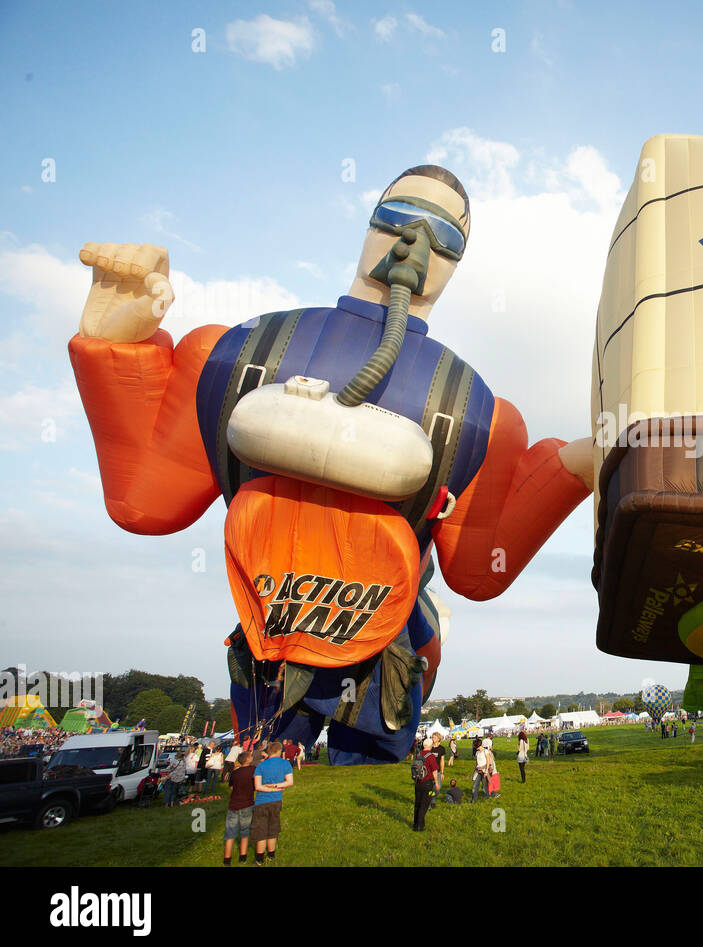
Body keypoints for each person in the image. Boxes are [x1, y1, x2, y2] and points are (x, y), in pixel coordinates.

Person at [69, 165, 594, 766]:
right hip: (272, 617)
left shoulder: (473, 412)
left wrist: (576, 467)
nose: (414, 245)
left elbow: (479, 570)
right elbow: (144, 503)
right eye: (397, 220)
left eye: (443, 238)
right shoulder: (245, 353)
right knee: (265, 759)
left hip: (385, 629)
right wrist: (116, 341)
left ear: (455, 264)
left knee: (365, 756)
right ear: (370, 224)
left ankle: (414, 642)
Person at [252, 741, 293, 865]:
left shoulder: (261, 766)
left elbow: (257, 787)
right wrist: (276, 787)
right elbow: (289, 782)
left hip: (261, 801)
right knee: (273, 829)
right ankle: (271, 855)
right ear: (280, 751)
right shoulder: (285, 764)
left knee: (261, 831)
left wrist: (269, 788)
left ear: (268, 751)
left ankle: (259, 859)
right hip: (276, 800)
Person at [223, 751, 255, 865]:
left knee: (230, 833)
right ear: (247, 760)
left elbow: (231, 787)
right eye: (251, 756)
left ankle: (227, 859)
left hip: (233, 804)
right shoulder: (253, 770)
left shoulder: (235, 773)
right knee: (245, 831)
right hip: (247, 804)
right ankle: (243, 855)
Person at [412, 737, 440, 831]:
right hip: (427, 783)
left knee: (417, 804)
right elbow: (434, 771)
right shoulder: (431, 756)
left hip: (418, 782)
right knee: (424, 805)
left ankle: (415, 825)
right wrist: (436, 783)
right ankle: (420, 825)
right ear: (430, 746)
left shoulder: (418, 755)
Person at [471, 736, 492, 803]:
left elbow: (488, 762)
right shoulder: (477, 753)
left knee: (484, 786)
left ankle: (487, 797)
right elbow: (477, 763)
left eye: (475, 746)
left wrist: (486, 771)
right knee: (475, 786)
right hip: (478, 770)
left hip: (484, 770)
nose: (475, 748)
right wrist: (474, 772)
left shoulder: (486, 751)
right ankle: (474, 799)